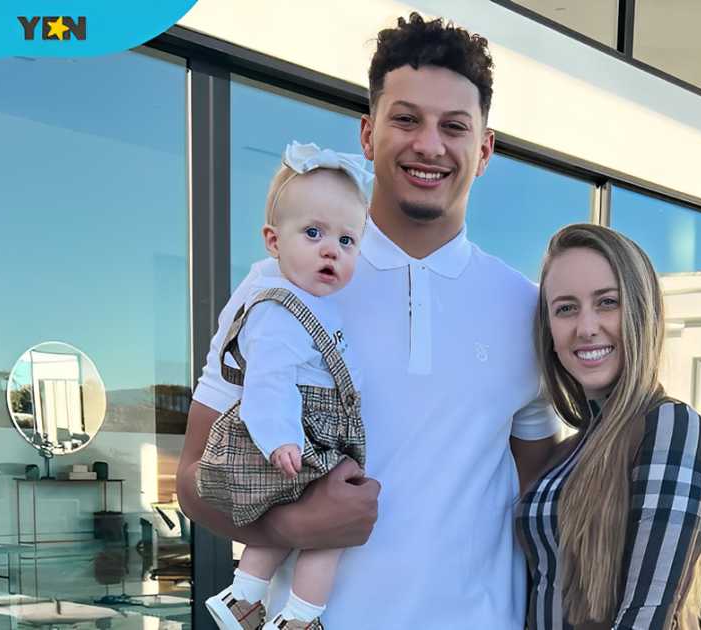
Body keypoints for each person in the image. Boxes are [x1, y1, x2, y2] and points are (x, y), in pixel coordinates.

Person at [176, 13, 559, 629]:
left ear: (484, 149)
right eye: (406, 119)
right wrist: (293, 524)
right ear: (367, 133)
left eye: (454, 126)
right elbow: (193, 477)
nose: (429, 144)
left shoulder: (527, 309)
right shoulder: (279, 283)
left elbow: (541, 500)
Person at [198, 142, 371, 630]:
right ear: (273, 241)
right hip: (302, 432)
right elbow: (268, 381)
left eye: (346, 241)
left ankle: (244, 598)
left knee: (298, 514)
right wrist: (280, 438)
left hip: (312, 427)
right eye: (313, 233)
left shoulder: (318, 303)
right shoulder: (275, 307)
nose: (329, 251)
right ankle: (296, 618)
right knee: (332, 530)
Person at [518, 224, 701, 629]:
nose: (586, 327)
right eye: (566, 308)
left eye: (607, 302)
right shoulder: (571, 449)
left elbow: (646, 617)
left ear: (642, 313)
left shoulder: (670, 426)